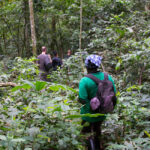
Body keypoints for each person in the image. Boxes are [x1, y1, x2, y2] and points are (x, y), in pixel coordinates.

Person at [78, 54, 116, 150]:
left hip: (88, 114)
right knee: (97, 131)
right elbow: (113, 94)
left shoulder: (84, 80)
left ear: (87, 66)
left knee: (87, 133)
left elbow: (82, 99)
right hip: (102, 112)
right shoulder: (108, 77)